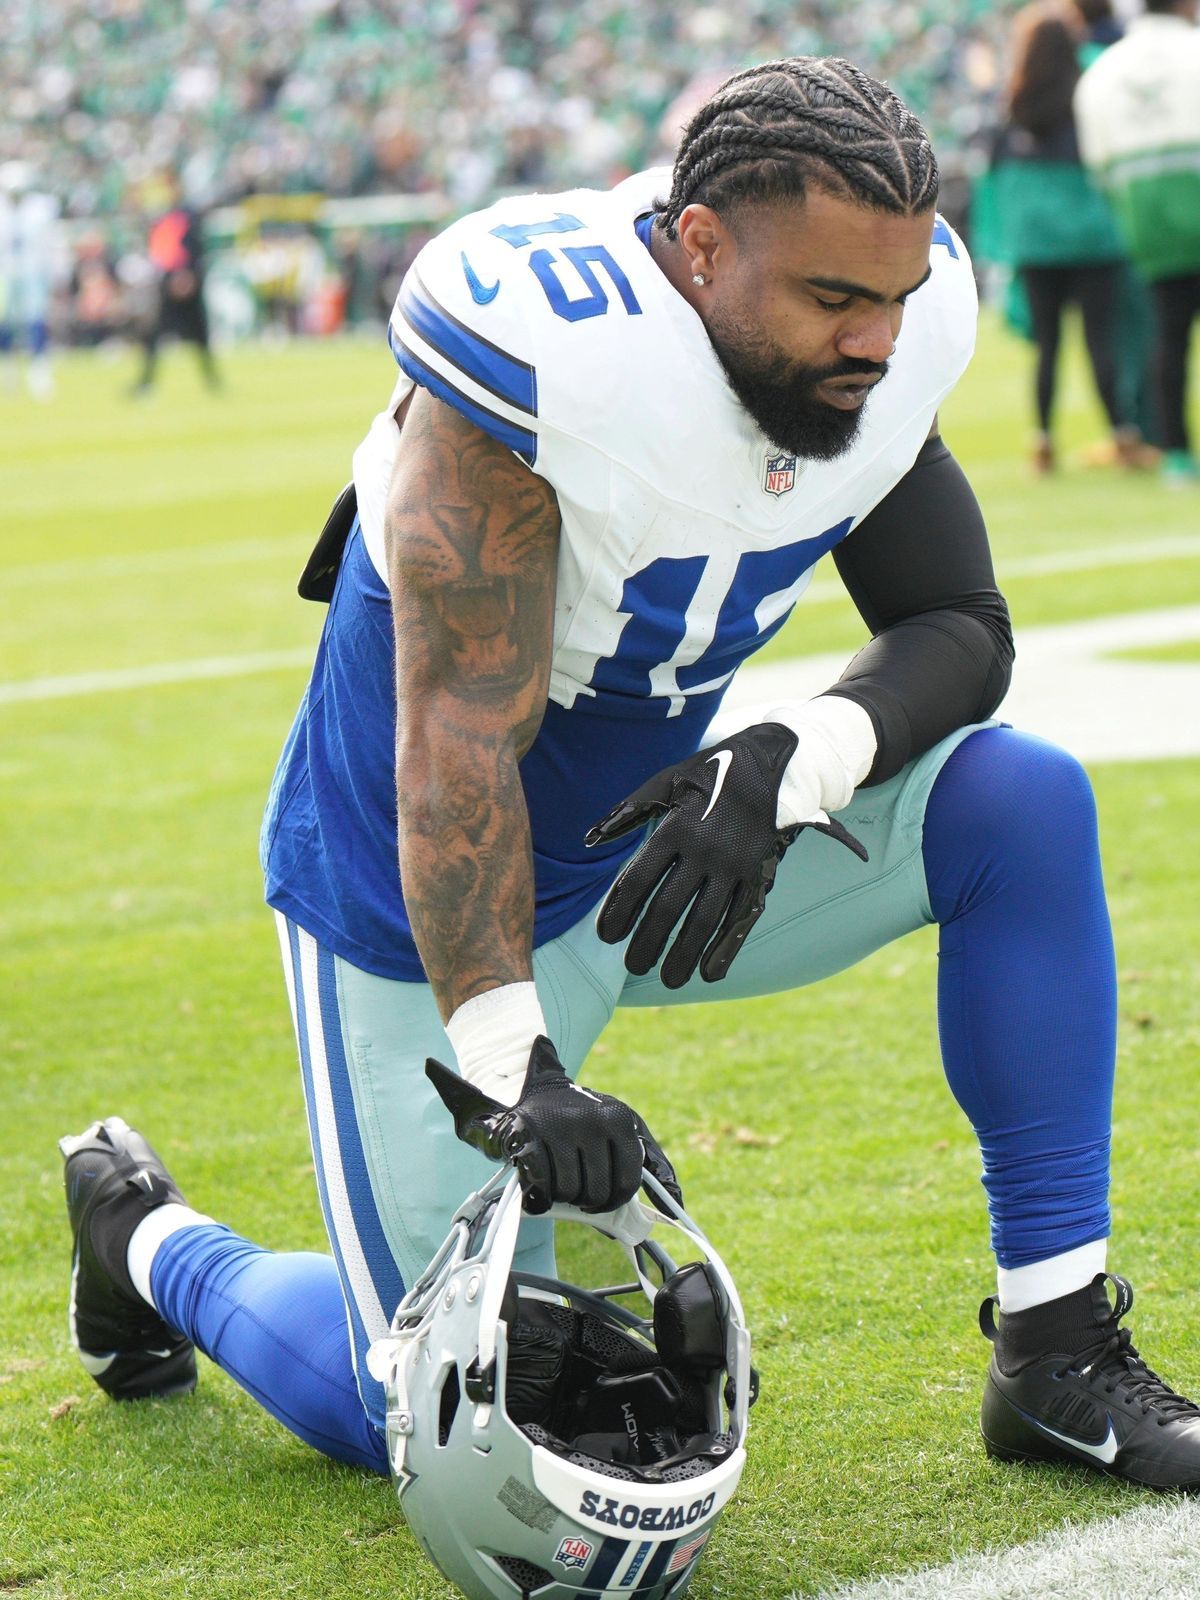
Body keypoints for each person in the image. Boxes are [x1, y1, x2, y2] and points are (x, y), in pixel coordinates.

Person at [61, 55, 1200, 1528]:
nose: (876, 338)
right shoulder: (544, 363)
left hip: (653, 859)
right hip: (419, 900)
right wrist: (516, 1065)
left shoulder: (887, 311)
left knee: (1018, 805)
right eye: (833, 304)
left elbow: (957, 625)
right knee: (424, 1402)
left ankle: (1055, 1347)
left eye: (898, 297)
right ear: (704, 245)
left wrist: (798, 750)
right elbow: (457, 749)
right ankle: (149, 1241)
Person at [985, 4, 1142, 474]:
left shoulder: (1013, 107)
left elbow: (995, 178)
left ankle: (1043, 443)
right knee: (1102, 343)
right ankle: (1123, 436)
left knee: (1047, 347)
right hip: (1094, 239)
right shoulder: (1089, 95)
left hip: (1037, 243)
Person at [1075, 0, 1200, 487]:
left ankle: (1177, 454)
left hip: (1149, 224)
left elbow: (1099, 164)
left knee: (1168, 338)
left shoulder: (1102, 73)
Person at [131, 173, 221, 397]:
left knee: (198, 336)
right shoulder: (165, 216)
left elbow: (195, 249)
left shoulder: (187, 216)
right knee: (158, 335)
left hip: (185, 283)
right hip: (169, 283)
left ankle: (212, 380)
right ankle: (147, 382)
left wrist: (188, 276)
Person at [0, 160, 60, 401]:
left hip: (34, 271)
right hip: (5, 273)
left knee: (36, 319)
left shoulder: (41, 208)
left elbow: (49, 243)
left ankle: (39, 370)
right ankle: (7, 369)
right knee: (5, 323)